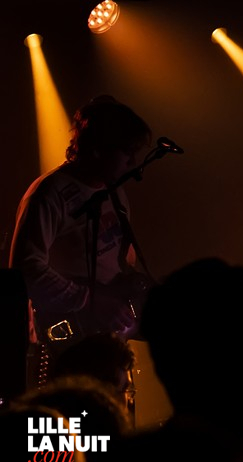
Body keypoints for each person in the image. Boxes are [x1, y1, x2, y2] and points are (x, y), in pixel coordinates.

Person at [7, 95, 153, 349]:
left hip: (105, 335)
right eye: (126, 152)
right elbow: (25, 270)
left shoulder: (114, 191)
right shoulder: (49, 194)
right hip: (68, 337)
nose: (133, 162)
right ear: (97, 150)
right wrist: (89, 300)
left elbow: (121, 263)